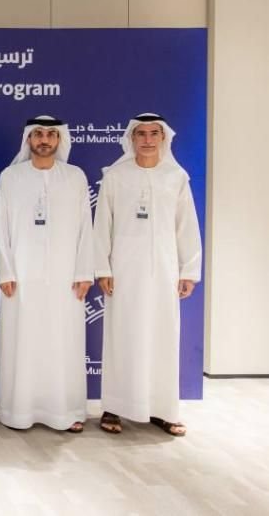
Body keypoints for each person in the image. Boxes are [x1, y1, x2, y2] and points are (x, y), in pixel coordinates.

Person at [94, 113, 202, 437]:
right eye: (141, 134)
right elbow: (102, 225)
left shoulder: (176, 177)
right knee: (122, 337)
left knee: (162, 338)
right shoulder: (116, 176)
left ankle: (163, 410)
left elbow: (186, 226)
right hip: (124, 273)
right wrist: (102, 267)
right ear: (132, 138)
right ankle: (114, 407)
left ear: (163, 138)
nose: (148, 140)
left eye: (154, 133)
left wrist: (189, 270)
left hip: (164, 272)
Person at [0, 116, 93, 433]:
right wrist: (5, 271)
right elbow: (1, 229)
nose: (44, 140)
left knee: (63, 343)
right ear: (28, 140)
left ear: (59, 139)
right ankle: (18, 412)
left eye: (50, 134)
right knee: (22, 344)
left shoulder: (75, 177)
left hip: (65, 279)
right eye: (37, 134)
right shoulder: (11, 177)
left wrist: (84, 272)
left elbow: (85, 228)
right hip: (20, 279)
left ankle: (65, 412)